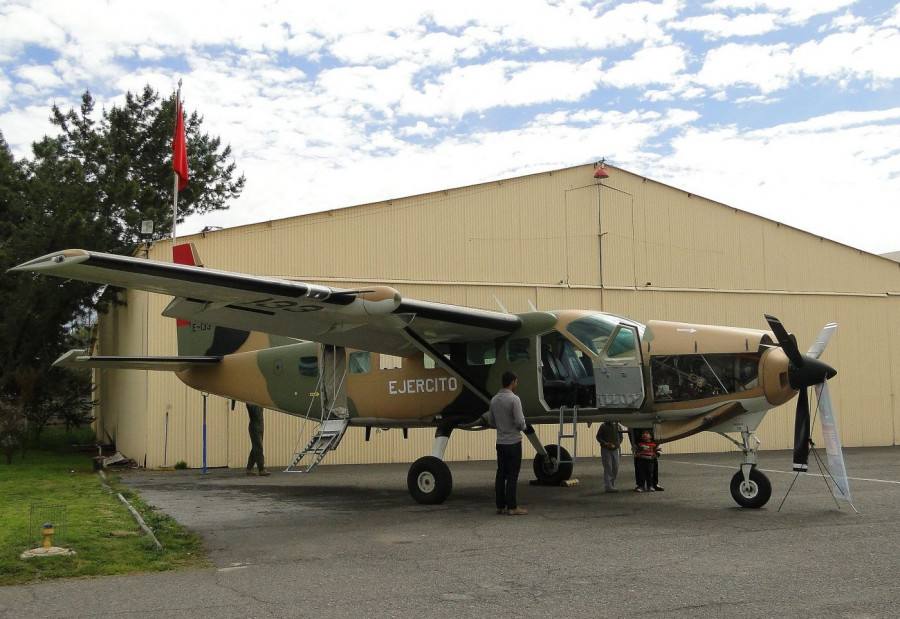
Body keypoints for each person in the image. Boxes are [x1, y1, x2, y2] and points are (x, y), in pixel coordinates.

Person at [487, 371, 528, 515]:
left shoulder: (494, 400)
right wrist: (524, 428)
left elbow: (491, 422)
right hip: (513, 442)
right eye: (516, 382)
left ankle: (500, 505)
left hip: (500, 442)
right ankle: (512, 506)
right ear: (512, 382)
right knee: (512, 475)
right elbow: (519, 421)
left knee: (501, 473)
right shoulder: (514, 400)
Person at [595, 421, 623, 492]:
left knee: (616, 466)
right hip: (605, 449)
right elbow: (598, 437)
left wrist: (616, 445)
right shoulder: (603, 426)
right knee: (608, 467)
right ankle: (608, 486)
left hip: (615, 449)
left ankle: (611, 483)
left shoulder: (618, 426)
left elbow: (621, 438)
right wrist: (605, 443)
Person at [246, 403, 271, 476]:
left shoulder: (258, 403)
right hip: (255, 427)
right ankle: (261, 469)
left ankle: (249, 468)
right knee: (258, 447)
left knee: (255, 448)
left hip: (260, 426)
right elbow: (249, 406)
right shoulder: (251, 403)